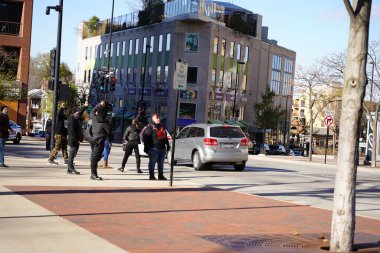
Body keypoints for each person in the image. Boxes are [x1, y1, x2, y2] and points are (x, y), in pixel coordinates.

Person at [143, 113, 170, 180]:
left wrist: (168, 145)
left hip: (162, 149)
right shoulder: (150, 127)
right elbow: (146, 138)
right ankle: (151, 176)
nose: (158, 119)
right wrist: (146, 147)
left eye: (158, 118)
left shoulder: (162, 126)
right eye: (156, 118)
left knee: (161, 164)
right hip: (154, 149)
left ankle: (160, 176)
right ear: (153, 119)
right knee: (152, 163)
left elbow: (165, 137)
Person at [89, 101, 112, 180]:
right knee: (95, 158)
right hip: (99, 142)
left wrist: (99, 105)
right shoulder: (104, 124)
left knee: (95, 157)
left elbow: (92, 111)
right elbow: (110, 131)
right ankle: (93, 175)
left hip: (93, 140)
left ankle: (93, 173)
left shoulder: (94, 119)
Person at [67, 104, 88, 175]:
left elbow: (81, 112)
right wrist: (76, 139)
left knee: (73, 154)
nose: (79, 113)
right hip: (73, 140)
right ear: (75, 112)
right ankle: (71, 168)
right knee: (72, 154)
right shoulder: (72, 119)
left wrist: (85, 106)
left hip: (76, 139)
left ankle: (69, 169)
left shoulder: (76, 117)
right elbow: (72, 131)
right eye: (78, 111)